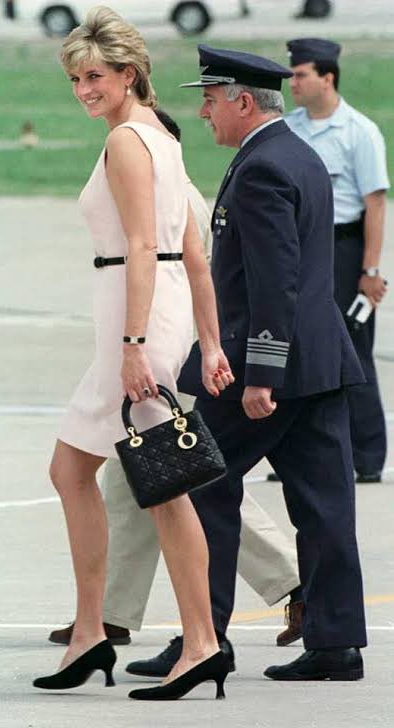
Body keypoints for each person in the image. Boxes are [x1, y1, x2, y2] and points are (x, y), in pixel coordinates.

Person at [139, 43, 368, 681]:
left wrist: (261, 374)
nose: (204, 112)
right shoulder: (298, 154)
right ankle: (335, 644)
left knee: (199, 489)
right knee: (324, 505)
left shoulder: (263, 168)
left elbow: (275, 281)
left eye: (211, 100)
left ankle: (204, 639)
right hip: (318, 362)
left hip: (260, 370)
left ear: (243, 102)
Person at [48, 109, 304, 668]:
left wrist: (179, 346)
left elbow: (193, 268)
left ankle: (286, 583)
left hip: (166, 348)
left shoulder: (166, 186)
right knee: (141, 478)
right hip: (168, 342)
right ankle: (110, 613)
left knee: (177, 476)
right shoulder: (170, 183)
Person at [33, 8, 234, 701]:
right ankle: (92, 632)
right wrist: (208, 341)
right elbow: (195, 253)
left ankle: (201, 644)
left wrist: (134, 346)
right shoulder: (161, 136)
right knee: (74, 470)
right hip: (149, 313)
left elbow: (147, 246)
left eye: (94, 76)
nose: (83, 90)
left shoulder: (127, 141)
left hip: (137, 318)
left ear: (128, 74)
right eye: (75, 79)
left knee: (164, 486)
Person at [284, 37, 390, 483]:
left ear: (327, 78)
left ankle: (367, 457)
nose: (293, 83)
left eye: (301, 75)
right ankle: (295, 454)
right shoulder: (289, 128)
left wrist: (370, 270)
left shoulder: (358, 131)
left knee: (352, 349)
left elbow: (375, 204)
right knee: (296, 347)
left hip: (343, 250)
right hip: (299, 247)